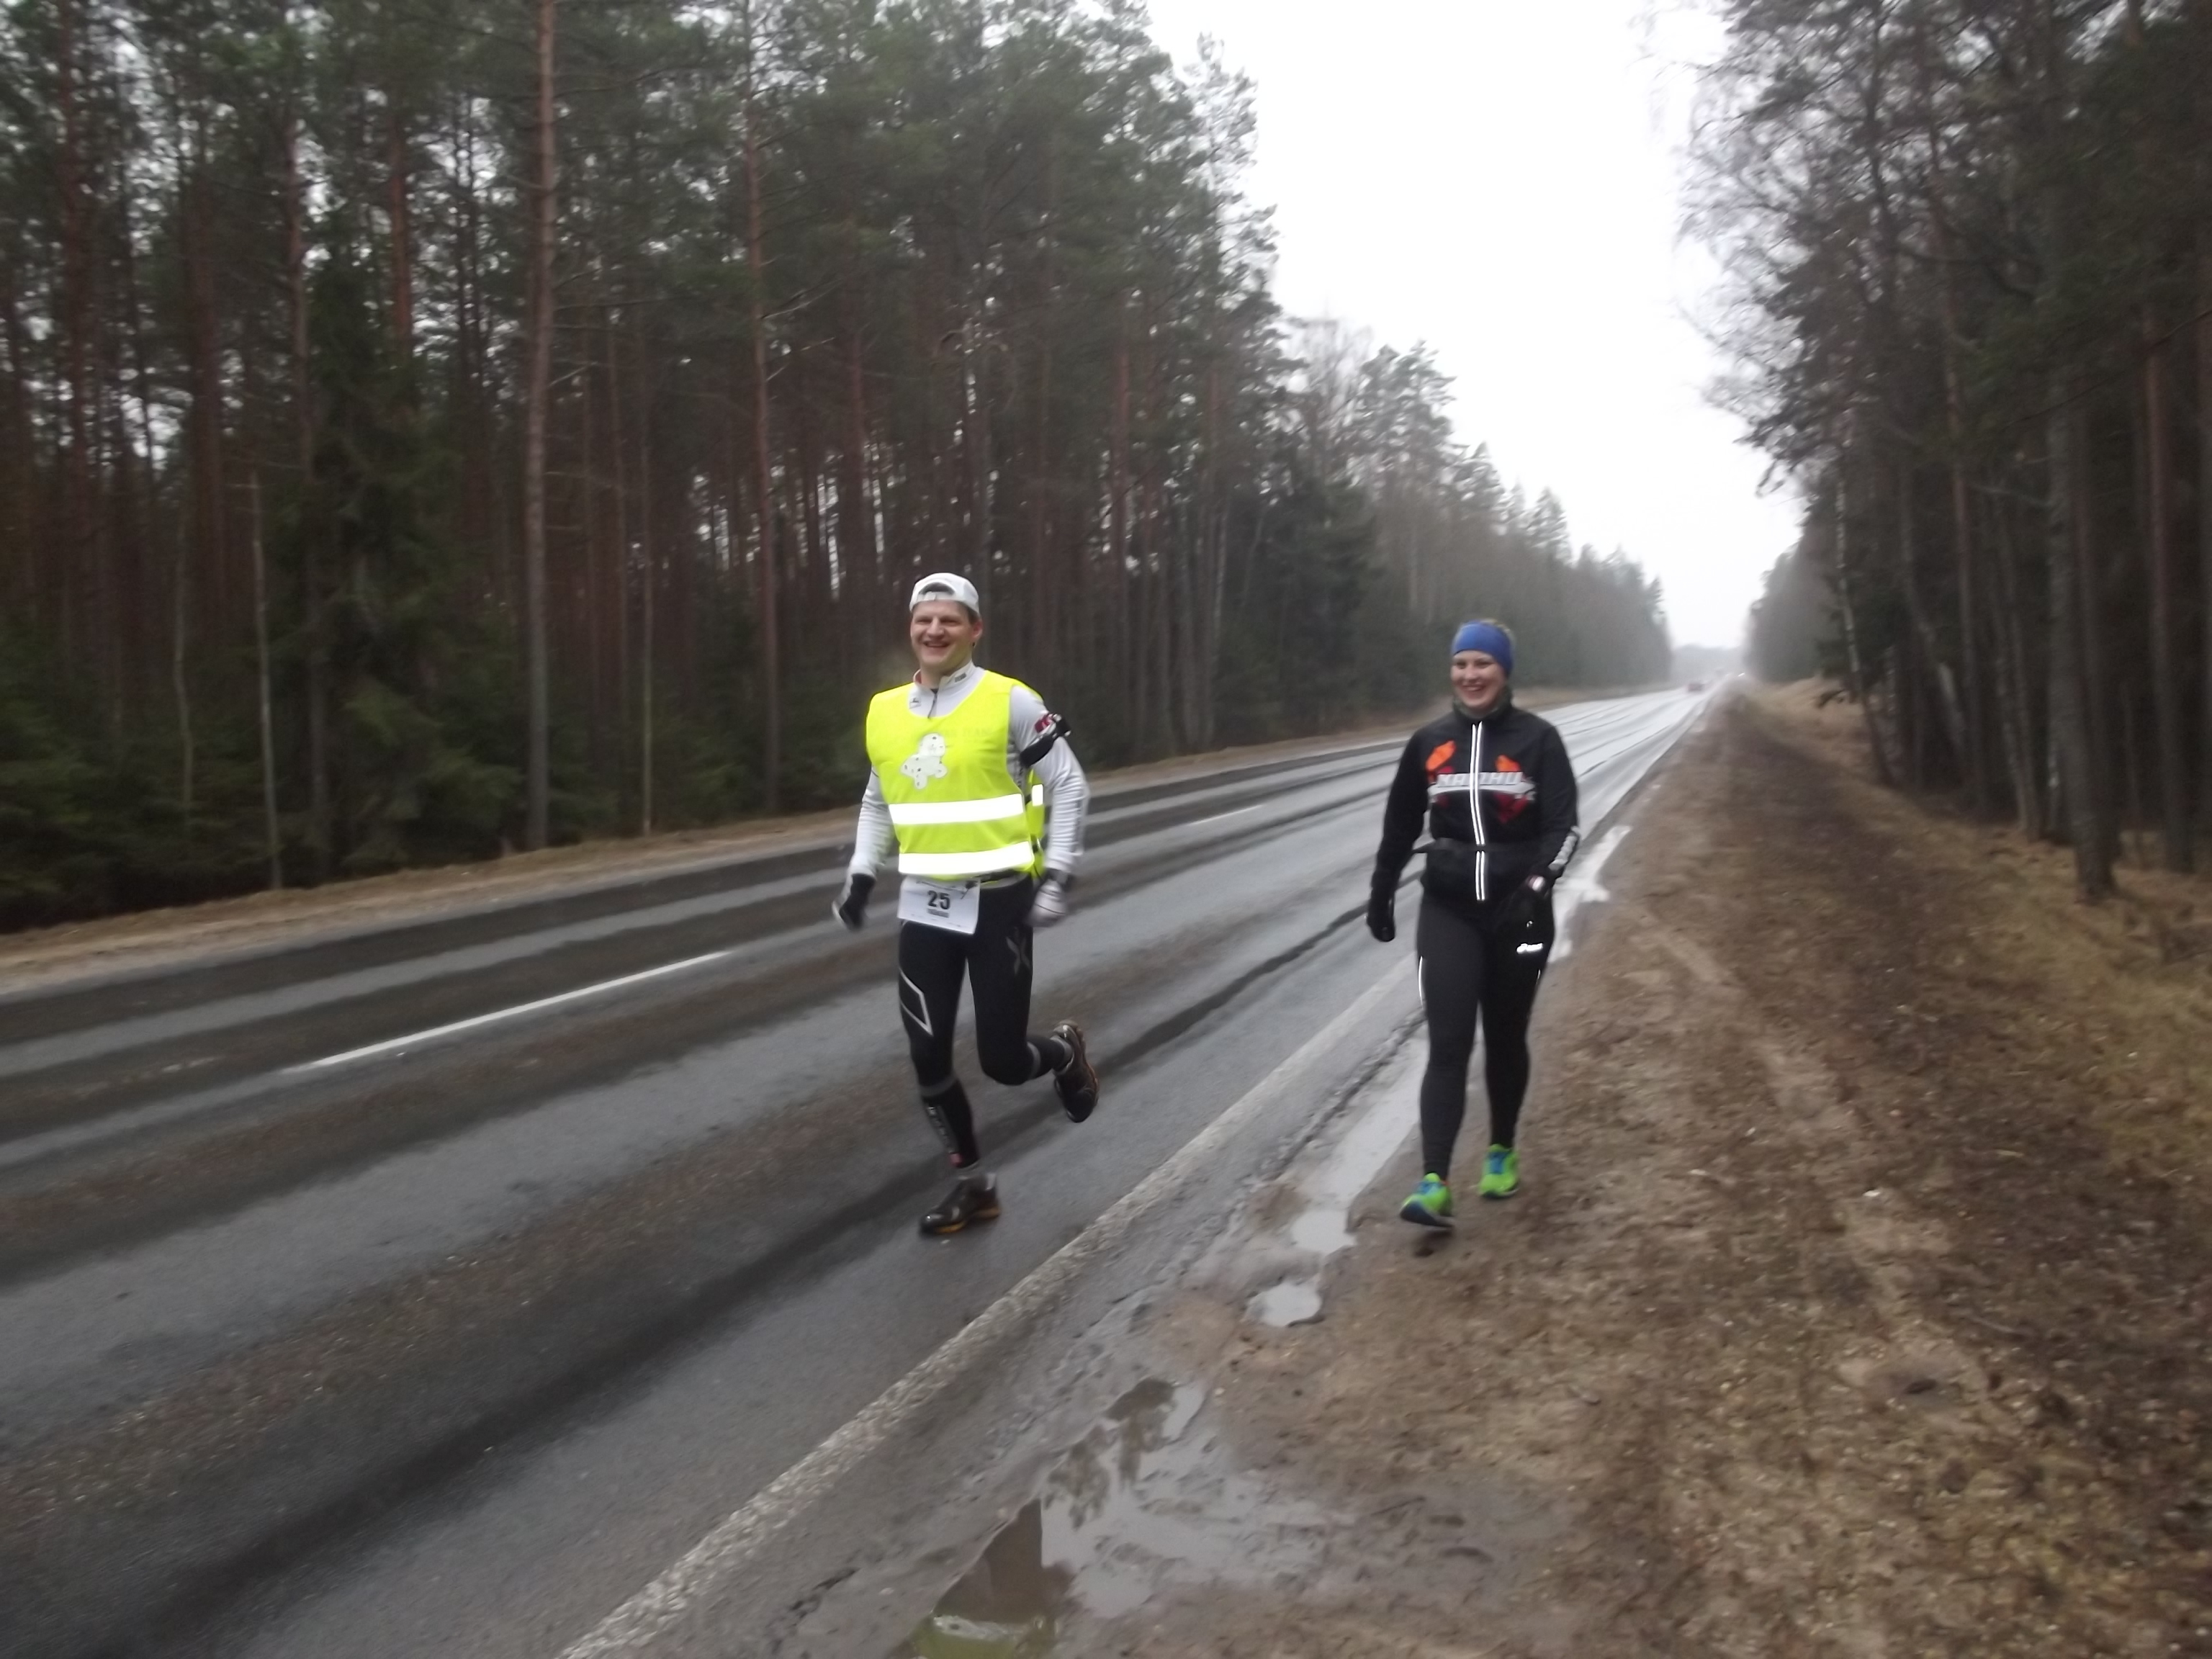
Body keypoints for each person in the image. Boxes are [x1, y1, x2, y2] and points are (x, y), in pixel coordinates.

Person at [834, 572, 1101, 1236]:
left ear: (974, 630)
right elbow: (877, 800)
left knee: (1002, 1063)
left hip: (999, 901)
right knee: (927, 1057)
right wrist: (862, 875)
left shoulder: (1010, 700)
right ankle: (974, 1186)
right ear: (911, 629)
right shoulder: (884, 710)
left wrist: (1058, 875)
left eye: (949, 619)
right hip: (924, 906)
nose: (935, 630)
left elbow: (1068, 785)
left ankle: (1063, 1054)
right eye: (923, 620)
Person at [1367, 619, 1580, 1229]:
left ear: (1504, 671)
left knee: (1506, 1038)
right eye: (1461, 664)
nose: (1470, 675)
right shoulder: (1429, 743)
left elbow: (1563, 828)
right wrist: (1381, 892)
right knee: (1449, 1042)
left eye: (1483, 663)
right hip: (1450, 910)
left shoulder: (1539, 740)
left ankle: (1501, 1152)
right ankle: (1433, 1182)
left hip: (1522, 916)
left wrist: (1536, 886)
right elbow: (1400, 827)